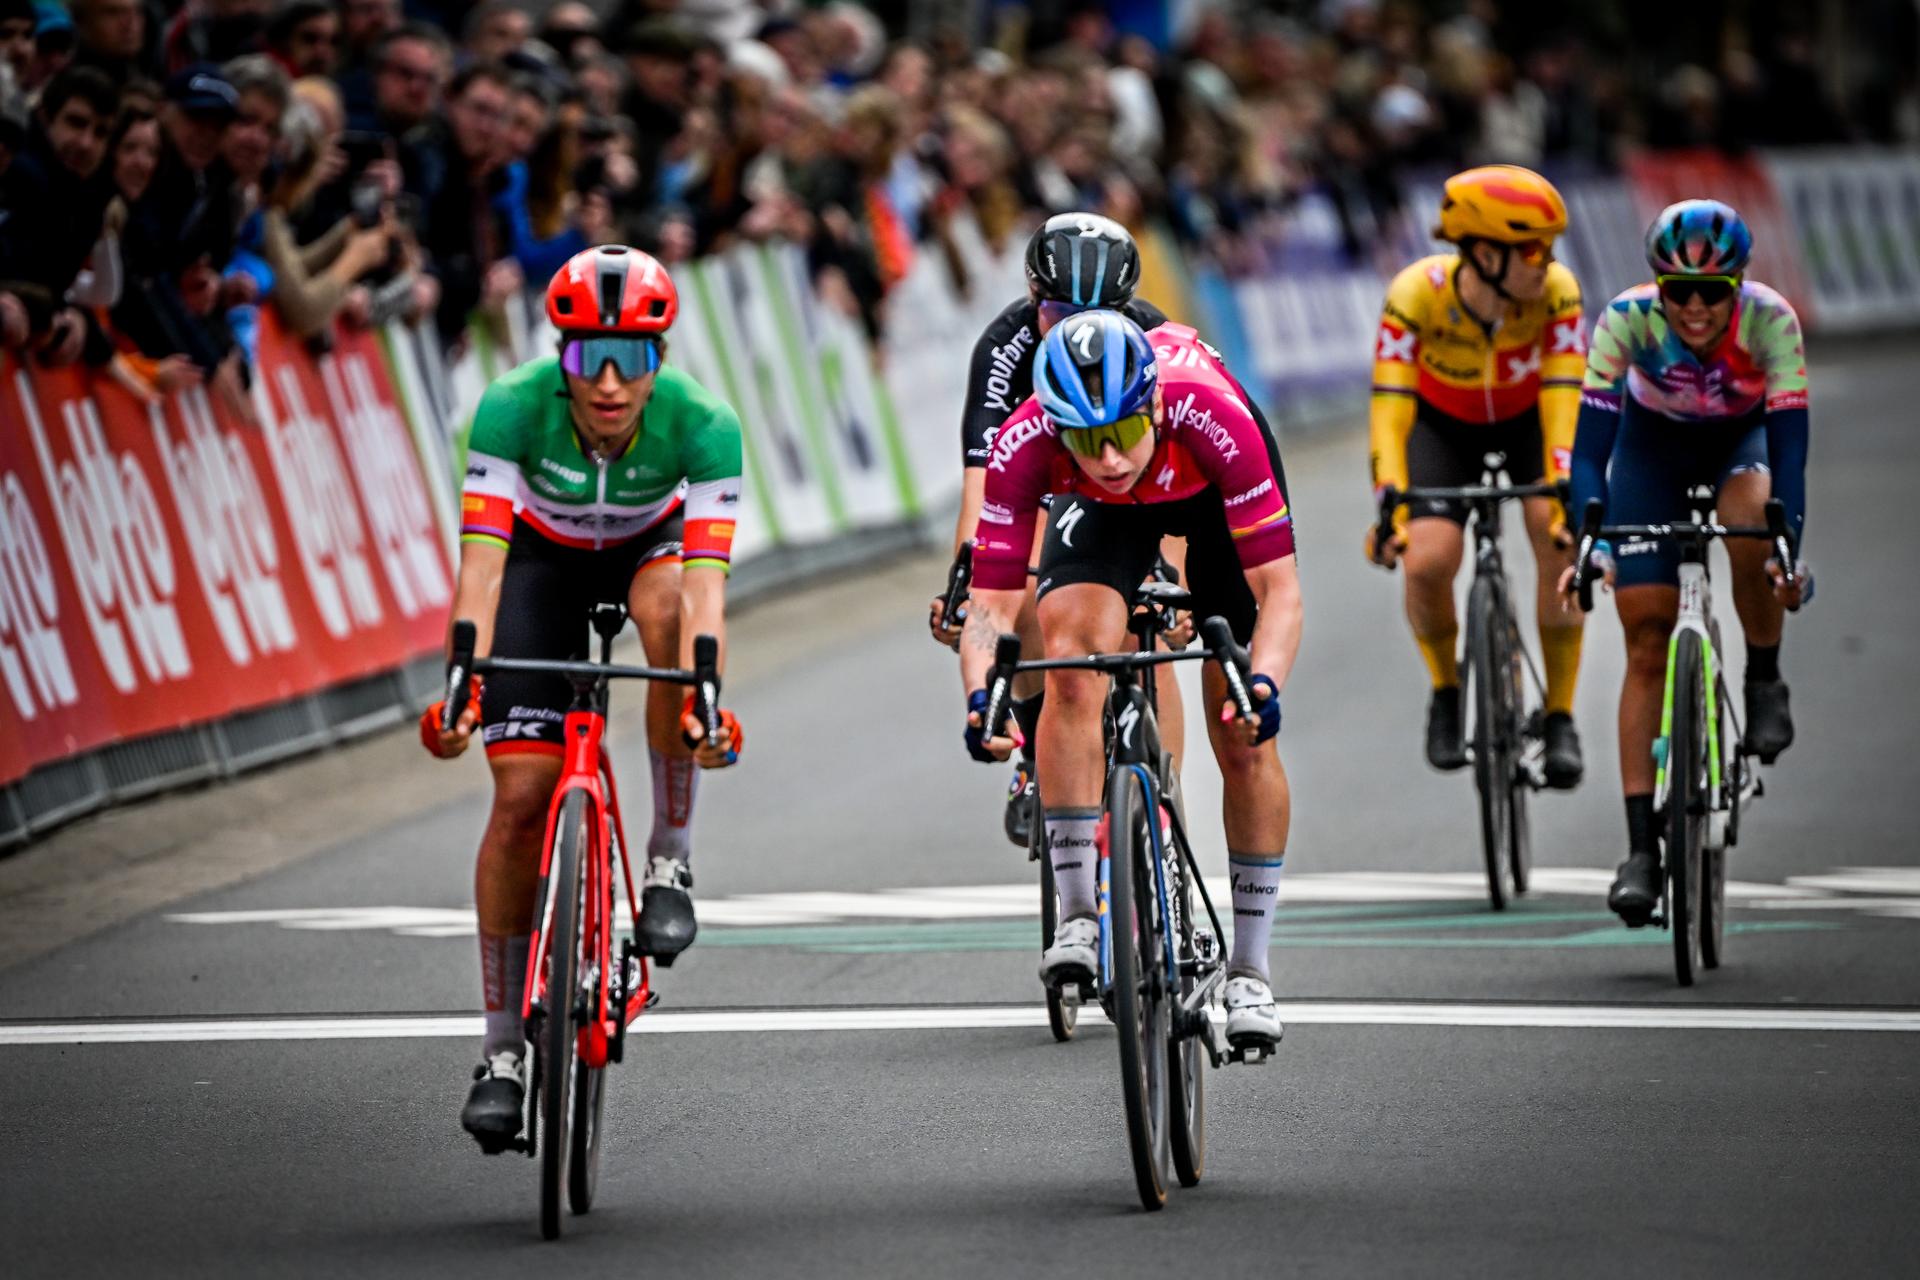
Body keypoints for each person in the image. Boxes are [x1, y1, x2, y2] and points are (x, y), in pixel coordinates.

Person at [419, 245, 745, 1151]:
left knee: (670, 608)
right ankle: (500, 1054)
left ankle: (668, 857)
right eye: (586, 357)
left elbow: (709, 591)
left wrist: (704, 693)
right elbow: (480, 575)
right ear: (556, 356)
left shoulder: (706, 425)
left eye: (631, 360)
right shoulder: (511, 408)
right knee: (521, 800)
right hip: (538, 561)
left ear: (660, 362)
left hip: (649, 551)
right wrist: (461, 684)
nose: (607, 382)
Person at [957, 310, 1302, 1048]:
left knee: (1240, 735)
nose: (1108, 456)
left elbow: (1280, 593)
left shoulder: (1211, 415)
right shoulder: (1030, 442)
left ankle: (1250, 968)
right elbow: (987, 609)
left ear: (1152, 404)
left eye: (1120, 430)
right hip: (1106, 520)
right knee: (1072, 667)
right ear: (1056, 428)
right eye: (1085, 440)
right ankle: (1080, 912)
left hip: (1208, 499)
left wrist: (1263, 685)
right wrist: (981, 697)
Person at [1561, 200, 1811, 926]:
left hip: (1742, 444)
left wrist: (1786, 543)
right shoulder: (1626, 320)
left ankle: (1762, 677)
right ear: (1657, 287)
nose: (1695, 308)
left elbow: (1791, 449)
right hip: (1651, 450)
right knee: (1645, 636)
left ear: (1738, 287)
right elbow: (1588, 452)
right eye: (1679, 291)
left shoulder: (1771, 322)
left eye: (1713, 293)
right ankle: (1642, 850)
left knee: (1748, 525)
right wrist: (1593, 542)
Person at [927, 212, 1176, 849]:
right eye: (1059, 313)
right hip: (1045, 478)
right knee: (1027, 598)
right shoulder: (1006, 347)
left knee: (1157, 628)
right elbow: (984, 489)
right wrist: (965, 583)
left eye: (1101, 314)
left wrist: (1179, 583)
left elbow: (1184, 485)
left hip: (1134, 479)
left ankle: (1167, 819)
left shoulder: (1159, 340)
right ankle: (1040, 756)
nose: (1079, 332)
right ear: (1034, 298)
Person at [1365, 164, 1589, 788]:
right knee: (1428, 560)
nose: (1547, 260)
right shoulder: (1416, 294)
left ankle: (1562, 713)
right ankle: (1446, 688)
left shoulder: (1557, 292)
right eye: (1533, 248)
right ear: (1485, 253)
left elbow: (1565, 397)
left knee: (1556, 532)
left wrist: (1565, 482)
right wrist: (1391, 503)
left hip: (1530, 421)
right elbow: (1390, 408)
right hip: (1442, 427)